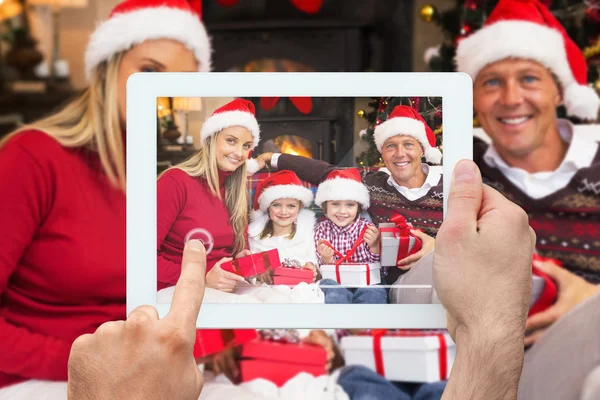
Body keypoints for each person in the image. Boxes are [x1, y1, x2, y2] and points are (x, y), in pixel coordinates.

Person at [66, 159, 536, 400]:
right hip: (283, 291)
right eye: (278, 205)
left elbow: (331, 257)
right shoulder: (253, 230)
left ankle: (362, 362)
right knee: (342, 346)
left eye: (294, 204)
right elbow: (256, 265)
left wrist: (334, 259)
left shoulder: (322, 227)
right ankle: (354, 367)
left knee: (355, 327)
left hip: (327, 284)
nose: (288, 211)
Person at [0, 0, 211, 396]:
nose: (159, 93)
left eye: (177, 84)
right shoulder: (31, 160)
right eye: (149, 72)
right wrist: (88, 367)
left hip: (134, 380)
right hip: (35, 381)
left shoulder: (157, 176)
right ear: (106, 70)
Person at [455, 0, 600, 398]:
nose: (511, 98)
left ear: (559, 90)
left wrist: (593, 303)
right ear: (473, 99)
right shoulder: (458, 170)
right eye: (491, 82)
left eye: (529, 79)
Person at [252, 105, 441, 283]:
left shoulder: (448, 184)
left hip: (444, 267)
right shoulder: (373, 183)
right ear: (382, 153)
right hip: (400, 282)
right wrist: (272, 157)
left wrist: (438, 249)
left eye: (408, 144)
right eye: (390, 146)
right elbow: (326, 172)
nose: (400, 154)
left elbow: (470, 234)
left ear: (422, 149)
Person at [157, 98, 260, 292]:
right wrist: (202, 279)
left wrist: (240, 261)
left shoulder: (236, 192)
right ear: (212, 139)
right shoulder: (175, 182)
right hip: (178, 290)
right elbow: (142, 258)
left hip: (223, 288)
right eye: (231, 141)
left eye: (246, 146)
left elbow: (232, 254)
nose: (239, 153)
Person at [311, 169, 387, 304]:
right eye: (335, 204)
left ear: (358, 207)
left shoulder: (368, 229)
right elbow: (322, 271)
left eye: (350, 205)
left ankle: (367, 324)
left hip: (366, 281)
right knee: (331, 290)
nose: (342, 211)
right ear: (325, 205)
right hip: (335, 281)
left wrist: (375, 246)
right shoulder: (321, 230)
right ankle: (339, 323)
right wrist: (326, 258)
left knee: (374, 292)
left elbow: (381, 271)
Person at [247, 170, 320, 281]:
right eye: (276, 205)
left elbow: (316, 265)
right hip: (265, 292)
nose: (283, 212)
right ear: (268, 207)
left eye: (291, 206)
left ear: (300, 207)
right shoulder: (255, 237)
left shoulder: (308, 235)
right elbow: (248, 273)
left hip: (301, 290)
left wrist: (313, 269)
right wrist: (259, 275)